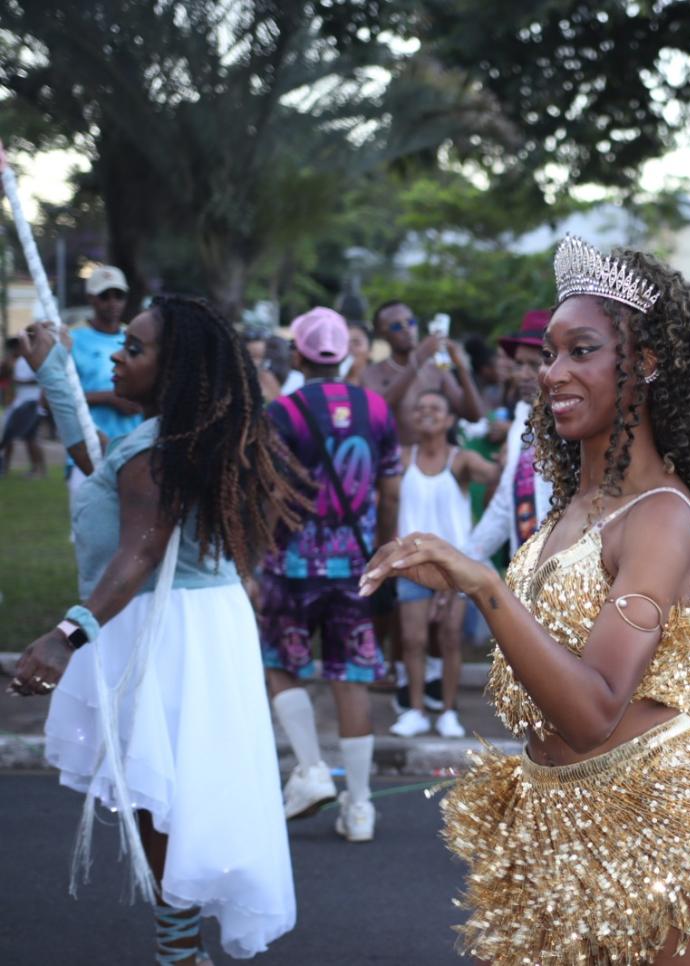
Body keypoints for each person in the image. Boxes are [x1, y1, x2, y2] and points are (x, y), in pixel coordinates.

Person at [358, 235, 690, 962]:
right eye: (549, 355)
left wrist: (484, 584)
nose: (553, 373)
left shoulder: (659, 516)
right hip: (556, 814)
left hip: (667, 825)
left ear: (647, 364)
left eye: (582, 351)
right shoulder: (578, 504)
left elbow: (596, 711)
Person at [10, 297, 303, 961]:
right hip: (185, 623)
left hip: (171, 630)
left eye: (134, 348)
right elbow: (97, 462)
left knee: (165, 798)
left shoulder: (161, 450)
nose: (117, 353)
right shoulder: (165, 439)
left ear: (174, 373)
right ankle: (179, 945)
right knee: (164, 794)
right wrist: (55, 373)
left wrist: (66, 635)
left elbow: (138, 553)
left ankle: (178, 951)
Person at [255, 307, 402, 844]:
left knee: (280, 664)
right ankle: (360, 807)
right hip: (355, 566)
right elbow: (390, 491)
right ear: (344, 355)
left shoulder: (283, 412)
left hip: (291, 565)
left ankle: (312, 769)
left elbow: (273, 493)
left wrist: (260, 557)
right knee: (351, 675)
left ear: (297, 354)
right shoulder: (377, 409)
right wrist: (384, 552)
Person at [390, 390, 497, 738]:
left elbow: (495, 477)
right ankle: (416, 710)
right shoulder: (402, 458)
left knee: (451, 638)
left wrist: (506, 460)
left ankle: (448, 712)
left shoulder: (461, 459)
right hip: (411, 565)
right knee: (412, 639)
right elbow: (387, 501)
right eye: (419, 407)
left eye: (435, 407)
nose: (426, 412)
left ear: (450, 420)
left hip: (454, 566)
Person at [467, 310, 552, 566]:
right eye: (518, 364)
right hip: (525, 575)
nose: (523, 375)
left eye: (534, 364)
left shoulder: (578, 426)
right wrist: (467, 561)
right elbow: (506, 502)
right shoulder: (522, 420)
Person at [360, 300, 484, 446]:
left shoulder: (436, 369)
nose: (407, 330)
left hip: (435, 463)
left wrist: (462, 368)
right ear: (382, 334)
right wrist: (419, 357)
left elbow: (473, 415)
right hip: (396, 462)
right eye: (397, 326)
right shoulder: (371, 373)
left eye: (410, 322)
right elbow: (380, 409)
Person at [68, 266, 143, 486]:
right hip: (87, 456)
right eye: (104, 296)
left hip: (133, 452)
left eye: (118, 295)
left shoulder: (136, 337)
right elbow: (51, 399)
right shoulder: (72, 339)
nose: (113, 303)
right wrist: (108, 398)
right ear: (91, 298)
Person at [0, 337, 44, 477]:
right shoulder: (17, 361)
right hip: (19, 402)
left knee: (25, 437)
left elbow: (39, 379)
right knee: (24, 437)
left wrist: (18, 381)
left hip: (31, 402)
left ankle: (39, 470)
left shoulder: (32, 360)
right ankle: (7, 468)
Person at [342, 319, 372, 386]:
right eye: (344, 342)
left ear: (370, 351)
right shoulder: (331, 384)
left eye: (356, 342)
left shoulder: (378, 386)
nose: (349, 347)